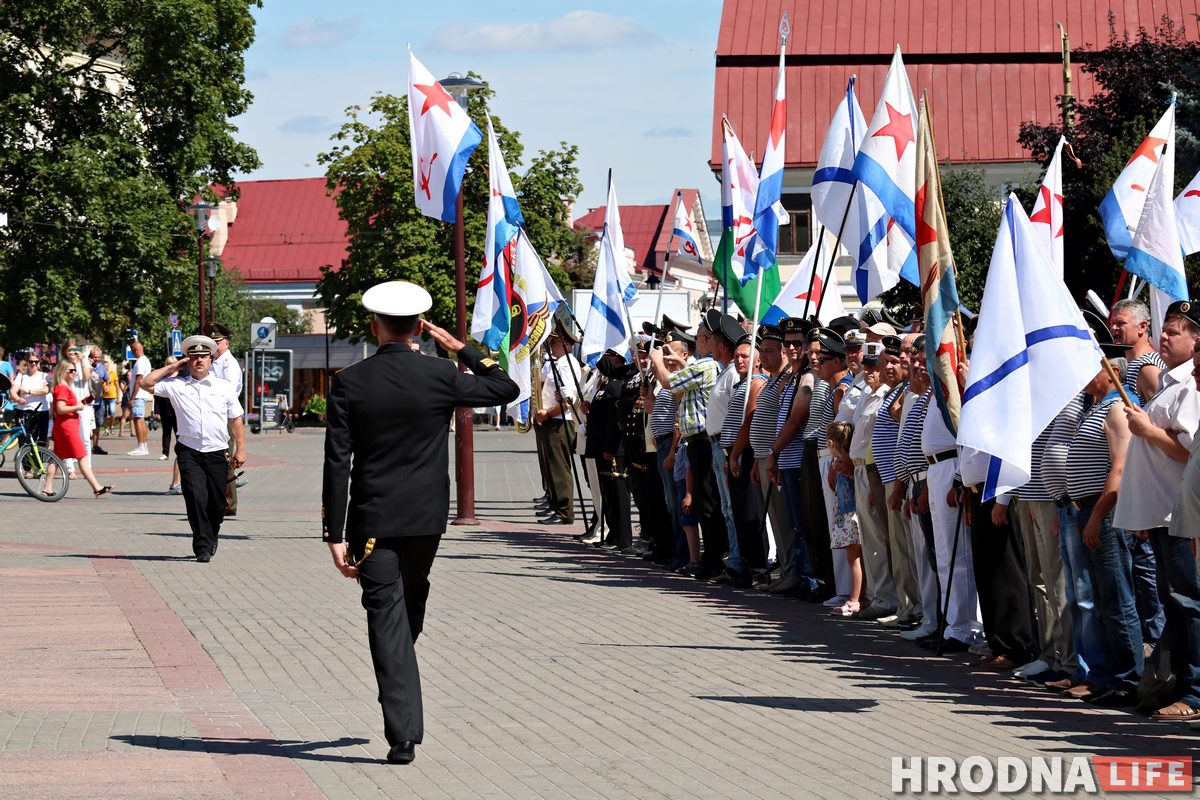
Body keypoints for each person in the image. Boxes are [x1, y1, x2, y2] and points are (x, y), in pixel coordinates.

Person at [321, 281, 518, 765]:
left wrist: (334, 533)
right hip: (427, 518)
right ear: (420, 329)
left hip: (373, 518)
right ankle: (402, 732)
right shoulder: (441, 375)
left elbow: (337, 462)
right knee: (398, 608)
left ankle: (400, 693)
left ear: (375, 326)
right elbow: (505, 388)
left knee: (396, 615)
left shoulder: (350, 382)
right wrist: (461, 348)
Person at [140, 336, 245, 562]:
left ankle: (211, 534)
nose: (199, 361)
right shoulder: (176, 385)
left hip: (218, 452)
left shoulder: (223, 386)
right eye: (194, 357)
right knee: (196, 498)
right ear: (188, 360)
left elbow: (236, 418)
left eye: (203, 357)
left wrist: (241, 449)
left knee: (217, 504)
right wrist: (172, 367)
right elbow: (145, 383)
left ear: (210, 360)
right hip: (189, 452)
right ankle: (202, 546)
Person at [43, 359, 113, 497]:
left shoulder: (62, 387)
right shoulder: (62, 388)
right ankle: (97, 487)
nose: (74, 373)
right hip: (67, 428)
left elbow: (64, 407)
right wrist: (78, 406)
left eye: (75, 370)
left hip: (65, 427)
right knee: (82, 457)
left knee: (57, 458)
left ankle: (47, 488)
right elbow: (60, 409)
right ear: (63, 372)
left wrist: (83, 402)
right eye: (71, 371)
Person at [206, 322, 244, 513]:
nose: (215, 345)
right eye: (212, 342)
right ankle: (221, 501)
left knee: (225, 460)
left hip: (225, 416)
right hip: (215, 416)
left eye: (218, 342)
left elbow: (228, 393)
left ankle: (228, 503)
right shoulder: (215, 362)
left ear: (226, 343)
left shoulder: (228, 365)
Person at [11, 352, 50, 444]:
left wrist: (28, 391)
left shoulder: (44, 376)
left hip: (41, 411)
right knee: (25, 442)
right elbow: (13, 391)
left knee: (41, 441)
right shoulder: (21, 376)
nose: (33, 364)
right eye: (31, 361)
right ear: (27, 363)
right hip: (25, 411)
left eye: (36, 362)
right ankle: (24, 459)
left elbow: (46, 390)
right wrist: (17, 399)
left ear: (39, 362)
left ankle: (39, 459)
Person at [127, 340, 153, 455]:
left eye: (132, 349)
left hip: (138, 395)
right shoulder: (144, 361)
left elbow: (139, 380)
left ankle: (141, 446)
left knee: (138, 419)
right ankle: (143, 445)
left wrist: (132, 397)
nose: (132, 351)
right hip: (141, 394)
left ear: (135, 349)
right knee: (140, 419)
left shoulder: (141, 362)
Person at [89, 347, 110, 455]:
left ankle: (95, 446)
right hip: (87, 400)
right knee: (87, 423)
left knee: (98, 423)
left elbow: (107, 379)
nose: (97, 359)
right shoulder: (85, 366)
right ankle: (85, 446)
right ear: (90, 357)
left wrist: (107, 386)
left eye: (98, 357)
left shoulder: (101, 367)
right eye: (94, 357)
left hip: (99, 400)